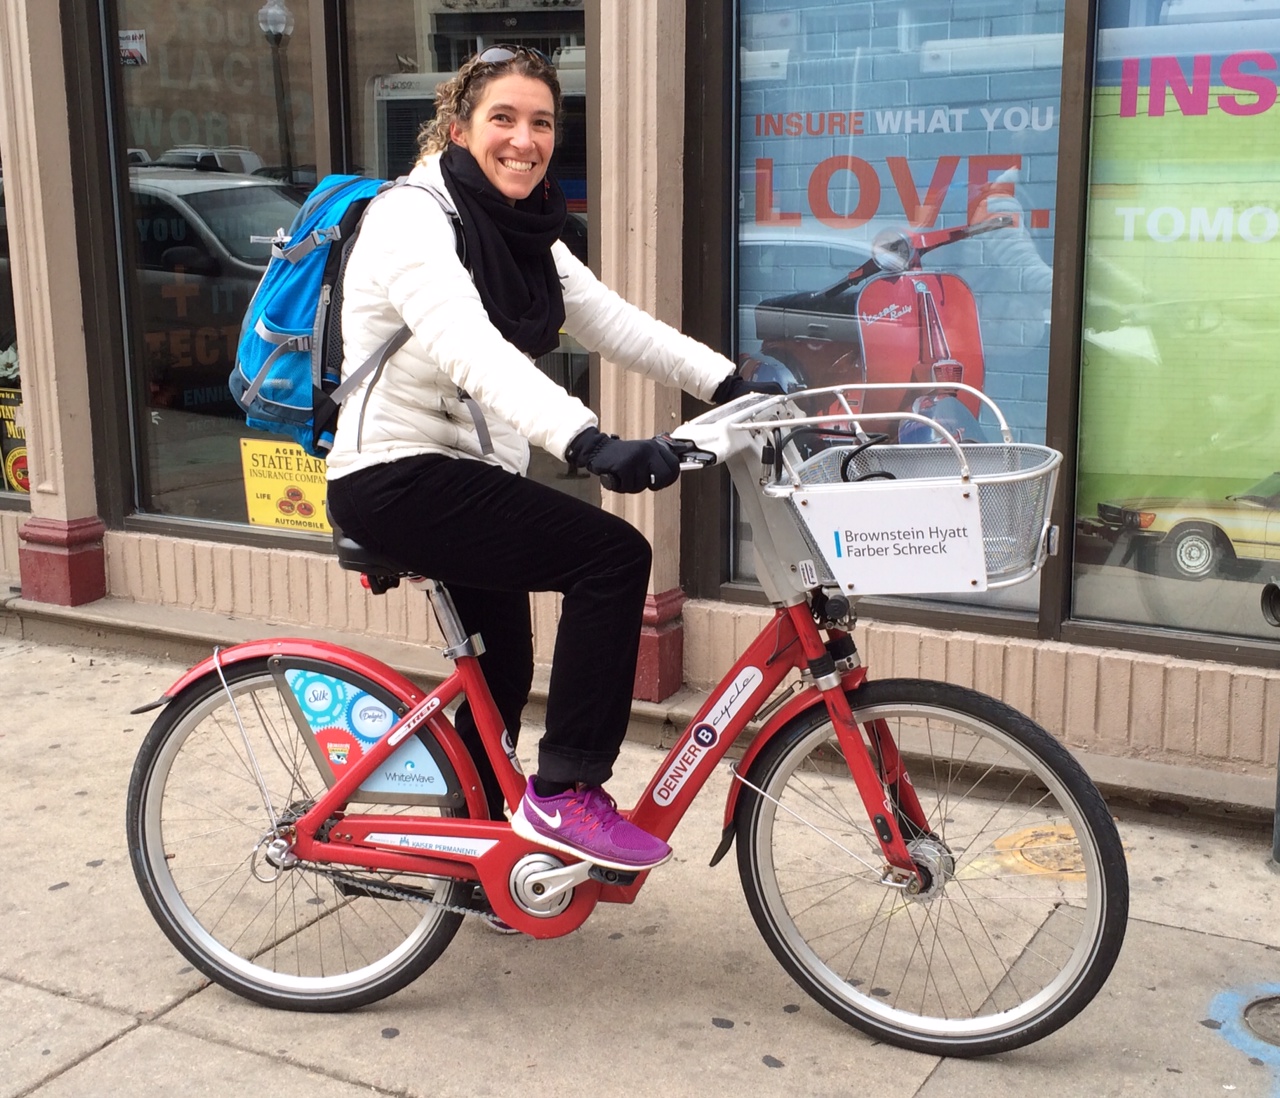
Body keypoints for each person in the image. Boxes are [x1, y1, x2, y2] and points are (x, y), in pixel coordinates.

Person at [325, 45, 772, 874]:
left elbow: (611, 321)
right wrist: (588, 443)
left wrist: (732, 380)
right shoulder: (411, 217)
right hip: (394, 474)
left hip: (468, 474)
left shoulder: (526, 229)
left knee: (504, 674)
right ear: (459, 128)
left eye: (541, 122)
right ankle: (567, 793)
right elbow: (469, 348)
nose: (523, 139)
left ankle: (481, 858)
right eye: (503, 118)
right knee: (612, 555)